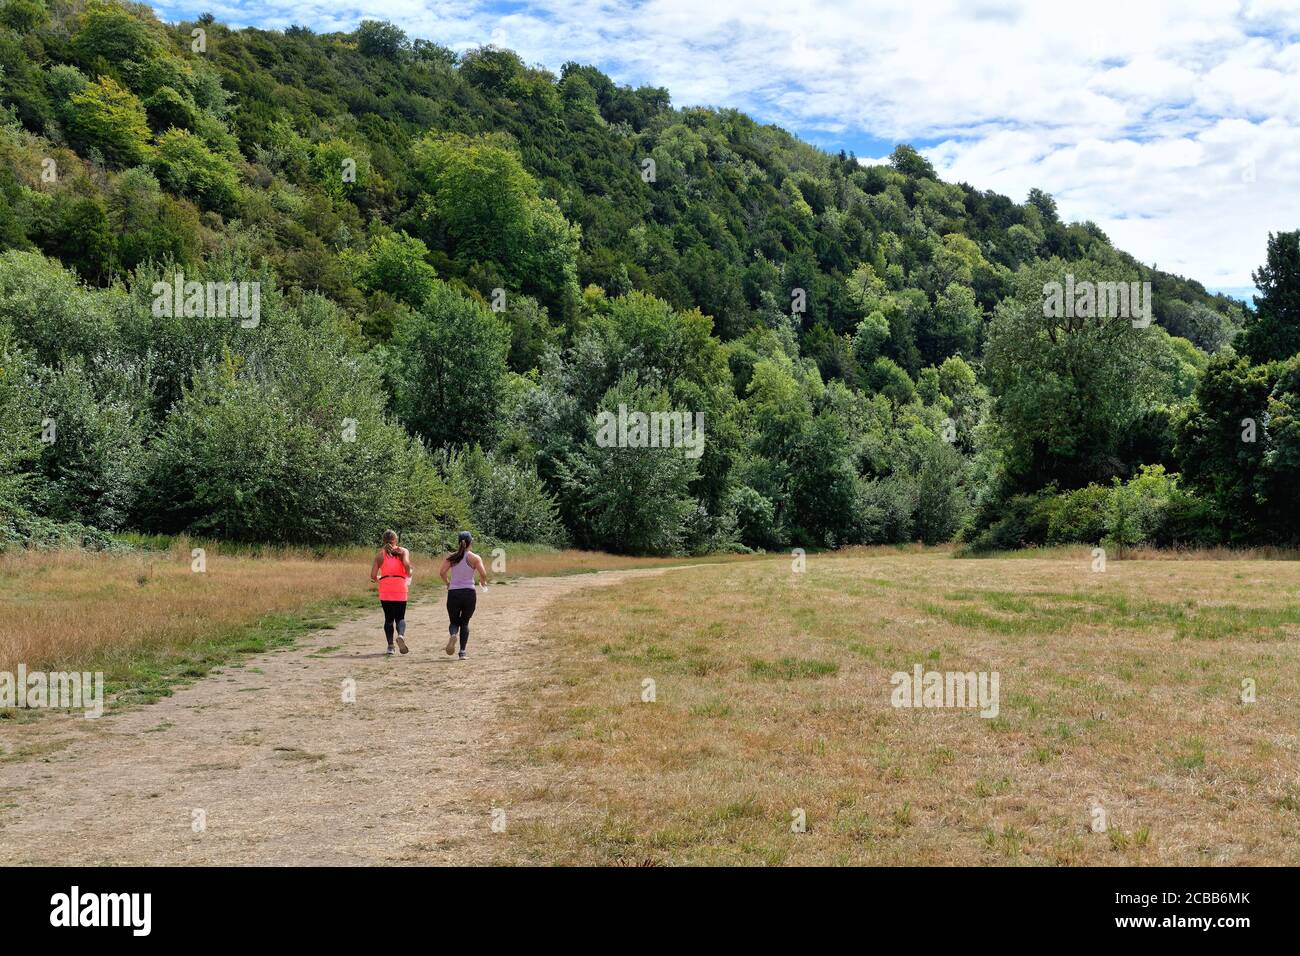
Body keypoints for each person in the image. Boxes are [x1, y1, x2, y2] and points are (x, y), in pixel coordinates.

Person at [439, 531, 488, 660]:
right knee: (465, 623)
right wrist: (482, 582)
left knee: (454, 621)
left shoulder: (452, 557)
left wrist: (448, 583)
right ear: (471, 542)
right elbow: (483, 574)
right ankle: (462, 652)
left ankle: (453, 634)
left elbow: (442, 572)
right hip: (469, 593)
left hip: (454, 592)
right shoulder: (475, 558)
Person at [370, 530, 412, 656]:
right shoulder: (403, 551)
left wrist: (380, 579)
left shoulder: (379, 555)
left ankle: (390, 646)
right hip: (400, 586)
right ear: (396, 539)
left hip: (385, 587)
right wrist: (408, 572)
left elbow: (372, 575)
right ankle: (400, 635)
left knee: (388, 619)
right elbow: (407, 566)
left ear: (383, 540)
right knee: (400, 617)